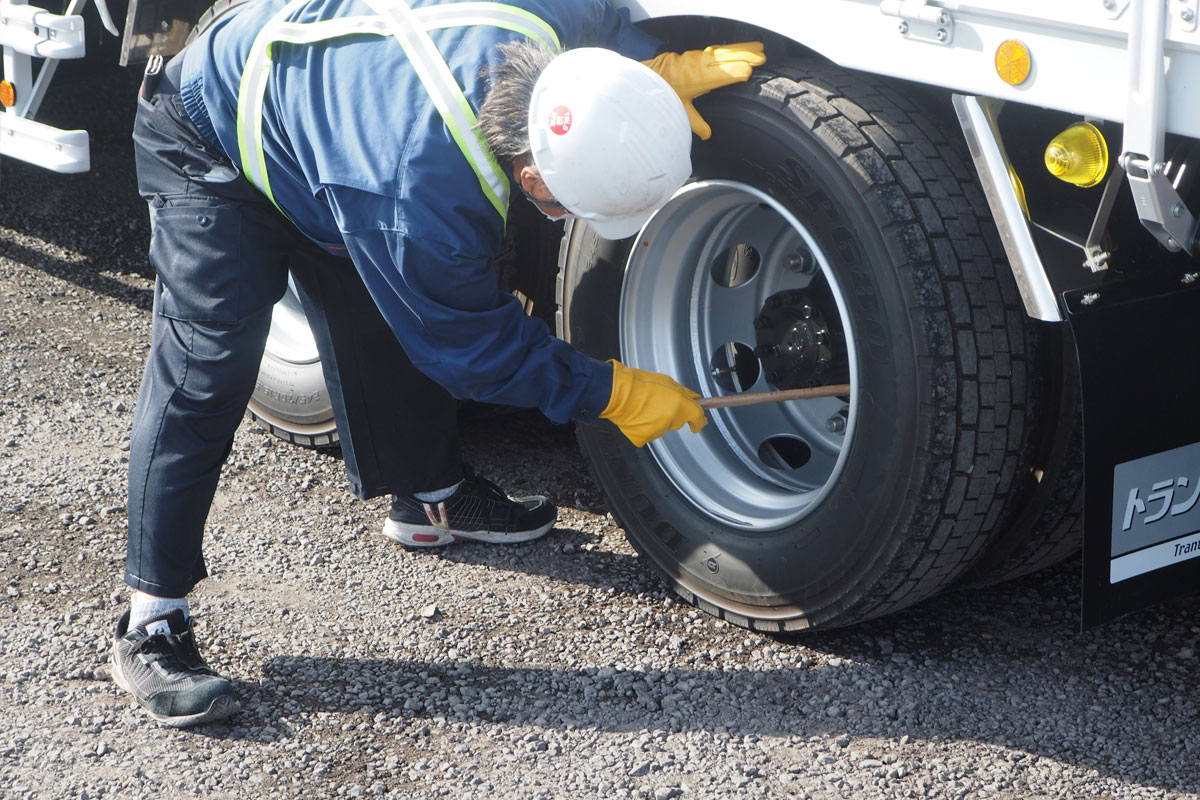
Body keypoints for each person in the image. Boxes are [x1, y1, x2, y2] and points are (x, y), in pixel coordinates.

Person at [111, 0, 765, 727]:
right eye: (569, 206)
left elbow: (608, 13)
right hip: (209, 132)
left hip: (331, 115)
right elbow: (473, 352)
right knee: (207, 367)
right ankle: (152, 622)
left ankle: (431, 496)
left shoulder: (544, 21)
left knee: (389, 311)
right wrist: (610, 392)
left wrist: (646, 73)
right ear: (530, 177)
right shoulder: (419, 193)